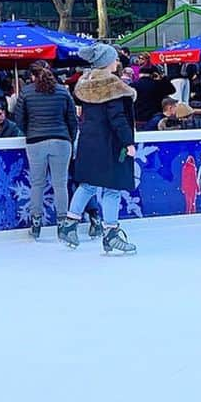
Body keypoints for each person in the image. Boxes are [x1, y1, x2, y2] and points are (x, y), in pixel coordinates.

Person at [58, 43, 138, 255]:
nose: (117, 62)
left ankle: (70, 223)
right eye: (114, 59)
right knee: (112, 187)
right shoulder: (111, 85)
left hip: (89, 142)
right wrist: (128, 142)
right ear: (107, 62)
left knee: (89, 184)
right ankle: (111, 233)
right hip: (109, 144)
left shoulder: (87, 84)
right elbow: (117, 118)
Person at [16, 60, 79, 240]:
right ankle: (62, 224)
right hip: (61, 139)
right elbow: (72, 119)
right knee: (60, 184)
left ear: (32, 76)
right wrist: (70, 137)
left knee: (37, 184)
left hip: (36, 141)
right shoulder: (62, 91)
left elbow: (19, 119)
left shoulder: (26, 92)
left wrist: (30, 131)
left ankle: (36, 223)